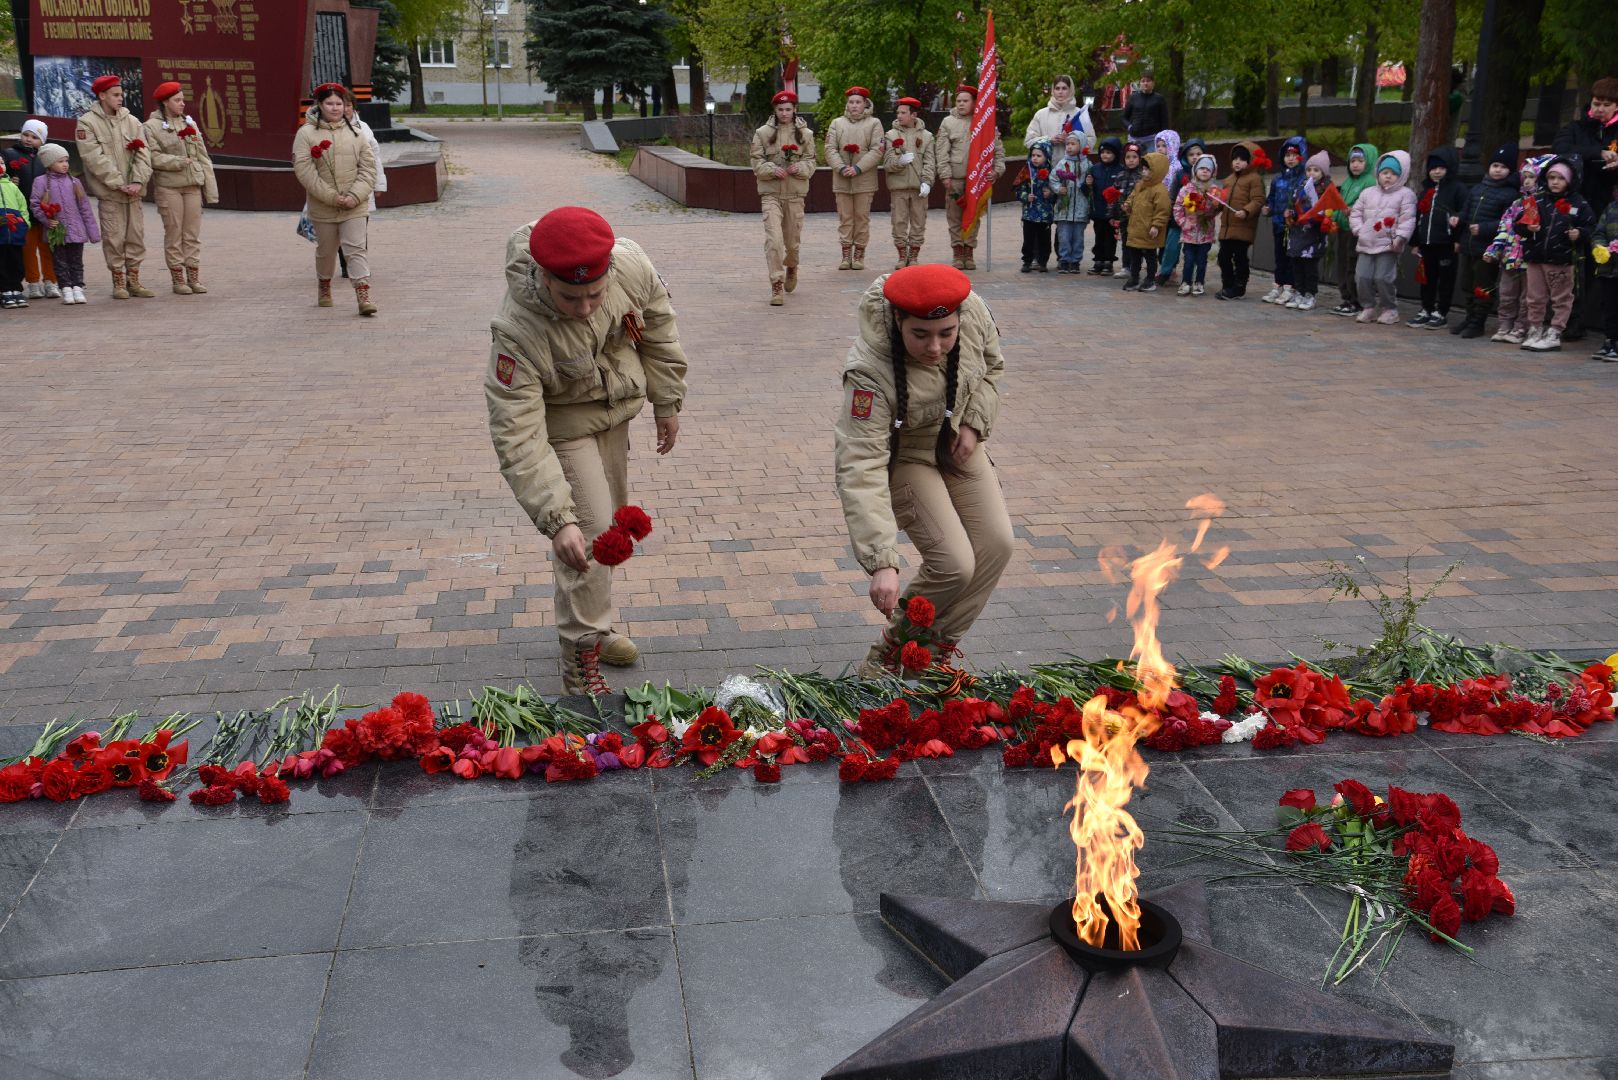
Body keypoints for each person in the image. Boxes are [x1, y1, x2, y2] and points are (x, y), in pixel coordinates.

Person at [485, 207, 689, 695]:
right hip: (564, 426)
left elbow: (658, 328)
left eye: (595, 295)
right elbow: (517, 433)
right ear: (543, 278)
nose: (585, 307)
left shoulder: (630, 265)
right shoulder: (517, 329)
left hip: (615, 415)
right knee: (589, 532)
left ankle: (595, 627)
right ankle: (580, 658)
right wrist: (557, 517)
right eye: (570, 297)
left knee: (605, 530)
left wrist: (667, 399)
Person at [833, 263, 1010, 677]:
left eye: (946, 333)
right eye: (921, 335)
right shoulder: (869, 372)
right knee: (954, 564)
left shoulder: (973, 311)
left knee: (997, 545)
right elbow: (860, 463)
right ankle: (888, 658)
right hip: (905, 456)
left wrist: (973, 423)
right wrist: (882, 562)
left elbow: (992, 366)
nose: (935, 347)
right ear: (898, 321)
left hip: (957, 441)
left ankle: (931, 652)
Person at [292, 83, 379, 315]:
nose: (335, 108)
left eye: (339, 103)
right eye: (329, 103)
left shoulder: (357, 133)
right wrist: (332, 197)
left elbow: (368, 168)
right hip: (324, 206)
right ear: (319, 105)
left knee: (356, 249)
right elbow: (305, 171)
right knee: (327, 251)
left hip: (354, 205)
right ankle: (324, 285)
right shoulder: (306, 134)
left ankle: (363, 296)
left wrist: (354, 195)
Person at [74, 73, 154, 300]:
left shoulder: (132, 121)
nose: (121, 99)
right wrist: (119, 183)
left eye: (122, 94)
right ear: (102, 96)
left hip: (134, 192)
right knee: (114, 236)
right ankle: (118, 281)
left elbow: (144, 154)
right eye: (115, 95)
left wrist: (138, 180)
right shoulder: (87, 122)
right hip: (111, 193)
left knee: (136, 236)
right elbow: (94, 158)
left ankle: (134, 280)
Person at [1552, 76, 1618, 341]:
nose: (1600, 108)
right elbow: (1563, 149)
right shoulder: (1579, 127)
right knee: (1573, 265)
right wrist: (1599, 152)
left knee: (1598, 264)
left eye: (1607, 104)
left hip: (1608, 205)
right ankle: (1570, 321)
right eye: (1596, 103)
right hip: (1579, 201)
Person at [142, 81, 219, 295]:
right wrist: (177, 161)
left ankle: (193, 277)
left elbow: (202, 156)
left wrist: (209, 188)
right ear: (165, 103)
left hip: (192, 185)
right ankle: (178, 279)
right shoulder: (151, 127)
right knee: (174, 233)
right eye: (177, 100)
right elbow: (153, 156)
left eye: (183, 100)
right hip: (169, 187)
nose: (182, 104)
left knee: (192, 234)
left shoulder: (189, 124)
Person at [1516, 157, 1593, 353]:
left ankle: (1555, 331)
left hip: (1562, 259)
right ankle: (1535, 329)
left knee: (1561, 297)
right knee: (1535, 297)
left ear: (1569, 180)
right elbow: (1520, 223)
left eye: (1560, 178)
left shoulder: (1579, 202)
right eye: (1551, 177)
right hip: (1536, 256)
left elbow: (1590, 226)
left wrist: (1579, 234)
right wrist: (1527, 227)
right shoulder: (1537, 199)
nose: (1555, 182)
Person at [750, 88, 816, 304]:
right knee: (774, 240)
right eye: (780, 109)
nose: (784, 113)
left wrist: (801, 167)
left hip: (795, 194)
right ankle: (776, 284)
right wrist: (770, 169)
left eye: (788, 109)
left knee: (792, 243)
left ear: (795, 110)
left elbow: (811, 161)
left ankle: (792, 267)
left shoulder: (806, 135)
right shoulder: (762, 133)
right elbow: (756, 162)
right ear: (775, 110)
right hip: (771, 195)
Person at [934, 84, 1005, 270]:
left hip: (978, 181)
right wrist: (945, 175)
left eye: (965, 101)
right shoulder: (948, 123)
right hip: (955, 179)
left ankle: (969, 251)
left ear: (975, 103)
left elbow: (997, 150)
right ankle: (958, 251)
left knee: (973, 216)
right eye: (958, 101)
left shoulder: (985, 121)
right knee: (954, 217)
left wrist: (997, 170)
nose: (961, 104)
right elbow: (941, 152)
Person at [1452, 145, 1519, 339]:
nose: (1497, 170)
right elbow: (1466, 211)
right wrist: (1458, 219)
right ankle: (1470, 315)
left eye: (1503, 167)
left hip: (1488, 247)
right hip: (1469, 244)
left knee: (1483, 283)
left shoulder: (1510, 194)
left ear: (1510, 171)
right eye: (1495, 165)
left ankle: (1478, 321)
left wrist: (1484, 228)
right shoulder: (1477, 189)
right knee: (1466, 283)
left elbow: (1507, 221)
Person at [1485, 156, 1551, 346]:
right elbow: (1505, 228)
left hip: (1529, 258)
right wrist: (1495, 248)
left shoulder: (1542, 203)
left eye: (1533, 177)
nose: (1528, 181)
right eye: (1526, 176)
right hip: (1510, 257)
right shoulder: (1517, 204)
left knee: (1527, 297)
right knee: (1507, 293)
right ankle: (1505, 324)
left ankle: (1521, 327)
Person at [1350, 150, 1417, 325]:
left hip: (1388, 244)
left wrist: (1400, 237)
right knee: (1362, 277)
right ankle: (1368, 307)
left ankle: (1389, 308)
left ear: (1401, 176)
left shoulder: (1406, 194)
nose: (1388, 177)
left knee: (1383, 277)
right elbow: (1356, 212)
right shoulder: (1367, 193)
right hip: (1366, 242)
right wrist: (1359, 229)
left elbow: (1407, 219)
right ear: (1378, 173)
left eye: (1393, 174)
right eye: (1385, 173)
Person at [28, 143, 98, 304]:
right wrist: (47, 220)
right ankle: (66, 289)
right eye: (60, 161)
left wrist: (92, 233)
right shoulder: (41, 182)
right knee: (59, 262)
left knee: (76, 261)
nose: (65, 164)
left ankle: (78, 288)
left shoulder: (74, 182)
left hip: (76, 231)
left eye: (66, 160)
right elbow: (35, 205)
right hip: (56, 231)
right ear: (49, 163)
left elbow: (85, 208)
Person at [825, 86, 884, 271]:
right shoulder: (837, 123)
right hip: (842, 180)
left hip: (864, 180)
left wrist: (858, 168)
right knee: (845, 218)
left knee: (861, 217)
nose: (854, 106)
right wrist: (841, 167)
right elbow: (829, 148)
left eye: (858, 102)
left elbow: (877, 150)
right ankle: (845, 254)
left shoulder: (874, 123)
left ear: (865, 104)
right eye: (851, 102)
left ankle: (859, 254)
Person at [1408, 148, 1468, 330]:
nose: (1436, 171)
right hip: (1426, 243)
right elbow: (1418, 216)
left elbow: (1463, 214)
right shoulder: (1425, 189)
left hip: (1446, 243)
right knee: (1427, 279)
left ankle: (1441, 312)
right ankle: (1426, 308)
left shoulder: (1457, 189)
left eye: (1441, 168)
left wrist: (1458, 239)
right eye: (1433, 168)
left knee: (1445, 280)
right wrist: (1415, 242)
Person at [3, 119, 59, 299]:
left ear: (42, 141)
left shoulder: (47, 156)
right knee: (27, 249)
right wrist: (10, 180)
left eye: (34, 137)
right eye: (26, 135)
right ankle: (33, 282)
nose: (28, 139)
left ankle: (51, 281)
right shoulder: (10, 154)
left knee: (48, 248)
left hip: (45, 212)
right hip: (22, 211)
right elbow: (3, 175)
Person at [882, 96, 934, 270]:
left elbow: (929, 162)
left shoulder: (927, 136)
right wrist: (900, 161)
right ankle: (902, 255)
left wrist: (927, 182)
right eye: (898, 112)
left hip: (918, 187)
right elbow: (887, 163)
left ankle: (914, 255)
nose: (899, 116)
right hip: (899, 187)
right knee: (899, 222)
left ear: (914, 115)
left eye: (903, 113)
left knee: (919, 222)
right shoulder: (891, 135)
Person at [1329, 144, 1377, 316]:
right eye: (1353, 161)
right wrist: (1334, 216)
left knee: (1352, 264)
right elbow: (1338, 201)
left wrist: (1353, 211)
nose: (1355, 165)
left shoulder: (1370, 182)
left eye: (1360, 161)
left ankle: (1356, 300)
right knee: (1341, 263)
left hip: (1356, 231)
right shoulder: (1348, 181)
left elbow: (1370, 207)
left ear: (1368, 162)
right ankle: (1346, 297)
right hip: (1343, 228)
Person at [1216, 141, 1266, 300]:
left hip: (1243, 226)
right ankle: (1227, 284)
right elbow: (1222, 200)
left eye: (1242, 159)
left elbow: (1258, 200)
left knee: (1240, 257)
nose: (1237, 162)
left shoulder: (1254, 179)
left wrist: (1246, 211)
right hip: (1227, 227)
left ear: (1250, 161)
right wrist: (1214, 205)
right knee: (1223, 257)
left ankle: (1239, 286)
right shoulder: (1228, 179)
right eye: (1235, 158)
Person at [1261, 136, 1308, 305]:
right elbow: (1271, 199)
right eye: (1287, 155)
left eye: (1295, 155)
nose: (1290, 159)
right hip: (1278, 223)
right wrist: (1267, 208)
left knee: (1291, 257)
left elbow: (1305, 202)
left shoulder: (1303, 180)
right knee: (1279, 256)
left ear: (1301, 157)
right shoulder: (1277, 179)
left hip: (1294, 226)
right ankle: (1278, 284)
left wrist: (1295, 214)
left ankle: (1290, 286)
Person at [1282, 150, 1330, 311]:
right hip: (1297, 233)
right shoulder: (1301, 187)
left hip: (1314, 235)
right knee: (1297, 265)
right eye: (1309, 170)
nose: (1312, 173)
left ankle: (1310, 294)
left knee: (1309, 267)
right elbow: (1293, 204)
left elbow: (1329, 211)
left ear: (1323, 172)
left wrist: (1322, 215)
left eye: (1316, 170)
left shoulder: (1326, 189)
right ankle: (1299, 291)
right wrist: (1290, 214)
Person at [1121, 150, 1171, 291]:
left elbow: (1163, 210)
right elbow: (1132, 197)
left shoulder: (1160, 190)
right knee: (1134, 254)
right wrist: (1127, 205)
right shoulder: (1140, 185)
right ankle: (1135, 277)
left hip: (1149, 230)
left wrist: (1156, 225)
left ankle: (1150, 279)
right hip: (1136, 228)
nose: (1144, 172)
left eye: (1147, 169)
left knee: (1150, 255)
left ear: (1157, 171)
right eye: (1143, 169)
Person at [1173, 153, 1219, 296]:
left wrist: (1211, 207)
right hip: (1189, 233)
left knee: (1201, 260)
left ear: (1212, 172)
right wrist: (1183, 222)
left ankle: (1199, 282)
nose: (1204, 171)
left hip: (1205, 233)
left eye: (1208, 169)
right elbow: (1178, 207)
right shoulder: (1186, 189)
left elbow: (1216, 209)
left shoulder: (1213, 191)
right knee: (1188, 259)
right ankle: (1185, 282)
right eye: (1201, 168)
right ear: (1195, 170)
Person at [1050, 130, 1090, 274]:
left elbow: (1090, 183)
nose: (1069, 147)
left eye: (1073, 144)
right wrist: (1058, 188)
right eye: (1067, 144)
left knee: (1078, 237)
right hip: (1064, 209)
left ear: (1082, 145)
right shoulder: (1062, 163)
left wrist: (1088, 183)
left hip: (1080, 208)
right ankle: (1064, 260)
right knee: (1064, 236)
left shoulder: (1086, 164)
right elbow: (1053, 178)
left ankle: (1075, 261)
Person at [1087, 136, 1125, 276]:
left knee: (1110, 238)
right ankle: (1098, 260)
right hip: (1098, 209)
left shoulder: (1121, 170)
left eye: (1109, 153)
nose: (1105, 155)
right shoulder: (1095, 169)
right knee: (1099, 236)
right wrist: (1088, 184)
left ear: (1116, 154)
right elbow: (1087, 190)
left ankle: (1108, 262)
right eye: (1103, 152)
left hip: (1113, 212)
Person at [1024, 75, 1087, 151]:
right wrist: (1049, 140)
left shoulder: (1080, 114)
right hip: (1049, 162)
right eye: (1057, 88)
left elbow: (1089, 142)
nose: (1060, 92)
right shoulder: (1041, 114)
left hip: (1074, 162)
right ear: (1053, 90)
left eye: (1064, 88)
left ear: (1070, 90)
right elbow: (1028, 141)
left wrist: (1070, 141)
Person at [1591, 184, 1618, 360]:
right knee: (1610, 306)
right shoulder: (1612, 207)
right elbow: (1598, 233)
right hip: (1609, 268)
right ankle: (1610, 340)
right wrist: (1601, 248)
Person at [1111, 141, 1144, 278]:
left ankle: (1136, 266)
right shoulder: (1120, 175)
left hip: (1138, 216)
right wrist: (1113, 214)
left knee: (1137, 242)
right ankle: (1126, 267)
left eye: (1134, 157)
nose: (1131, 160)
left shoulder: (1142, 176)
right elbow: (1114, 195)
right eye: (1128, 157)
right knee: (1125, 241)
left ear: (1140, 159)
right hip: (1123, 216)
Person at [0, 165, 29, 307]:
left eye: (1, 162)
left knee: (17, 262)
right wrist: (3, 220)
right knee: (2, 263)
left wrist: (24, 224)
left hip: (15, 233)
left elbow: (23, 207)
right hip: (1, 235)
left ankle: (16, 288)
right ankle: (5, 290)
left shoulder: (12, 187)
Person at [1122, 72, 1169, 143]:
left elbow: (1164, 120)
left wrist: (1162, 138)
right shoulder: (1133, 98)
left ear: (1153, 83)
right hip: (1134, 139)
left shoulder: (1159, 99)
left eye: (1148, 81)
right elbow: (1124, 117)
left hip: (1152, 139)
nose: (1145, 83)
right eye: (1143, 81)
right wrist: (1129, 127)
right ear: (1140, 83)